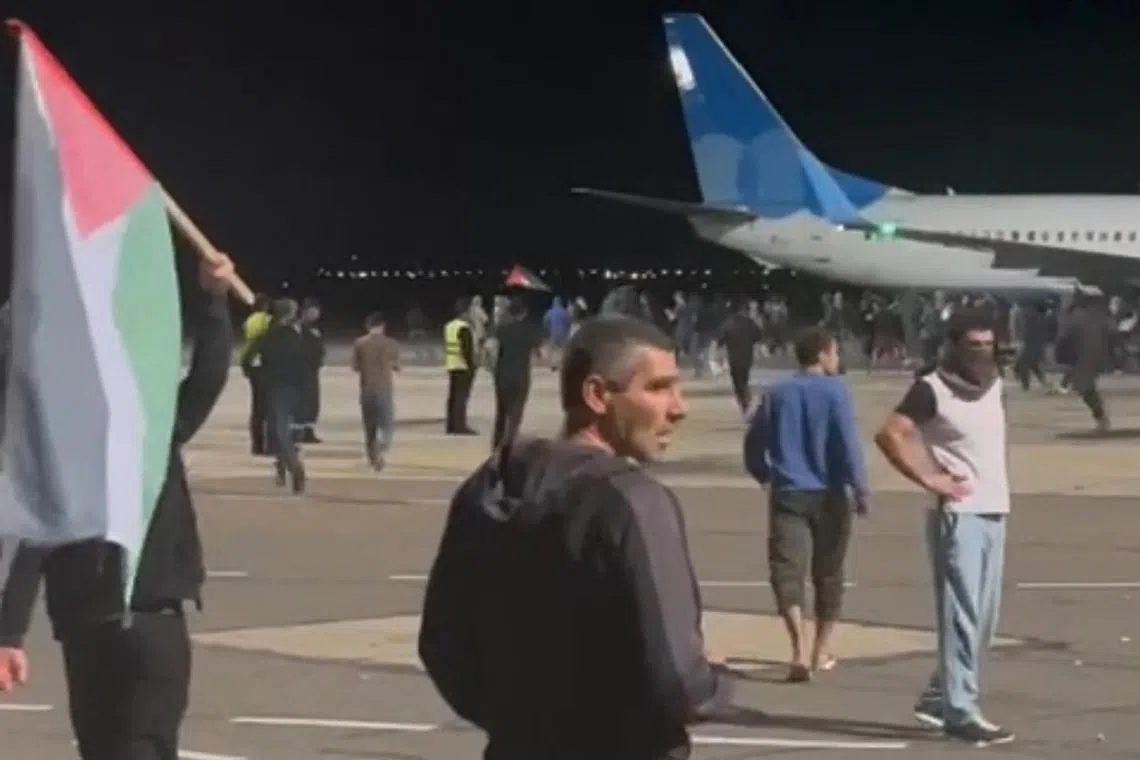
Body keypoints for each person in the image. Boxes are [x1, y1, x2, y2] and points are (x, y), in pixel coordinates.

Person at [418, 316, 736, 760]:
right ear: (597, 395)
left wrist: (519, 720)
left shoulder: (487, 488)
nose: (678, 407)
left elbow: (442, 644)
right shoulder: (631, 502)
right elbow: (680, 684)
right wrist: (718, 681)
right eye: (658, 388)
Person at [0, 254, 237, 758]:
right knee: (117, 747)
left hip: (117, 623)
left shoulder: (129, 433)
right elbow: (208, 376)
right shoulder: (143, 430)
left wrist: (10, 631)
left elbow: (31, 538)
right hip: (117, 626)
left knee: (124, 746)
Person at [874, 308, 1014, 747]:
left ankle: (939, 696)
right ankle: (961, 711)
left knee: (984, 621)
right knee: (962, 617)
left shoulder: (995, 383)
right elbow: (890, 433)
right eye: (973, 345)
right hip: (960, 516)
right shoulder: (931, 389)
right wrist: (930, 477)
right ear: (953, 346)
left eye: (988, 344)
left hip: (996, 510)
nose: (982, 352)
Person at [744, 328, 868, 682]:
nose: (838, 359)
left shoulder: (777, 394)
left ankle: (797, 648)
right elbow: (847, 443)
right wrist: (860, 488)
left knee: (787, 570)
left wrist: (761, 473)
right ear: (824, 354)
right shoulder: (836, 392)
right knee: (829, 573)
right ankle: (820, 649)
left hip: (788, 491)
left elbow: (755, 440)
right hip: (830, 493)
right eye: (836, 353)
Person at [247, 298, 307, 493]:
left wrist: (257, 377)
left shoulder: (268, 336)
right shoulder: (295, 336)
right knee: (280, 430)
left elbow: (248, 359)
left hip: (275, 388)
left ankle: (292, 467)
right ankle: (287, 467)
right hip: (293, 388)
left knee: (278, 430)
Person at [490, 299, 544, 449]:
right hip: (520, 376)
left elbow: (493, 351)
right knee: (516, 413)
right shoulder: (529, 330)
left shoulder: (501, 329)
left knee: (501, 412)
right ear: (524, 313)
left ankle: (496, 443)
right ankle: (509, 444)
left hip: (502, 375)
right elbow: (538, 354)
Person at [352, 312, 401, 470]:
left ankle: (372, 459)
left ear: (367, 326)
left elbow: (355, 367)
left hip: (366, 390)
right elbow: (397, 366)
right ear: (383, 326)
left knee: (369, 427)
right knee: (387, 425)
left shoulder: (359, 343)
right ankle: (381, 447)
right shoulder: (391, 343)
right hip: (384, 389)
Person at [239, 292, 272, 455]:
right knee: (267, 406)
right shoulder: (266, 320)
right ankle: (268, 443)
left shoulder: (249, 321)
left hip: (250, 361)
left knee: (257, 406)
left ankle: (256, 444)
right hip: (264, 364)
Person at [443, 299, 477, 435]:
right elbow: (466, 349)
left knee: (452, 397)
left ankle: (451, 425)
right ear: (465, 312)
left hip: (451, 364)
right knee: (461, 398)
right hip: (462, 365)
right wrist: (472, 366)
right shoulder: (464, 327)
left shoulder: (449, 326)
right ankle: (460, 426)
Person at [295, 297, 326, 444]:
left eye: (317, 312)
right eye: (313, 312)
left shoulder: (314, 329)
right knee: (302, 401)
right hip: (301, 371)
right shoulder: (298, 328)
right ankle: (299, 431)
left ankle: (308, 431)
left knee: (312, 401)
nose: (316, 315)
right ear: (305, 312)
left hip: (312, 371)